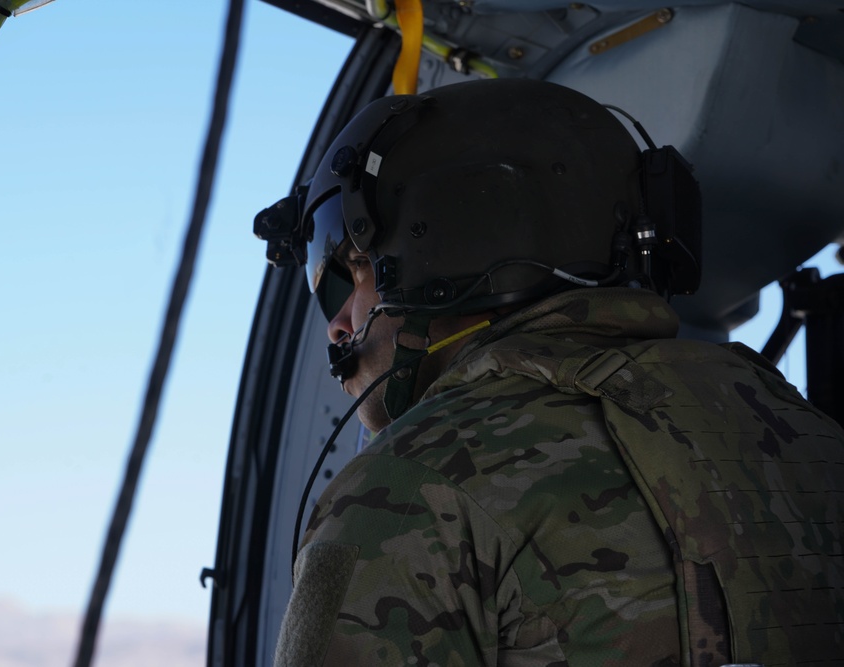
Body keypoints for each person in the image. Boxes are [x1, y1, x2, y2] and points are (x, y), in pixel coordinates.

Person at [255, 78, 844, 666]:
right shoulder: (807, 429)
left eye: (357, 269)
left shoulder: (408, 488)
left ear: (447, 244)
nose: (337, 324)